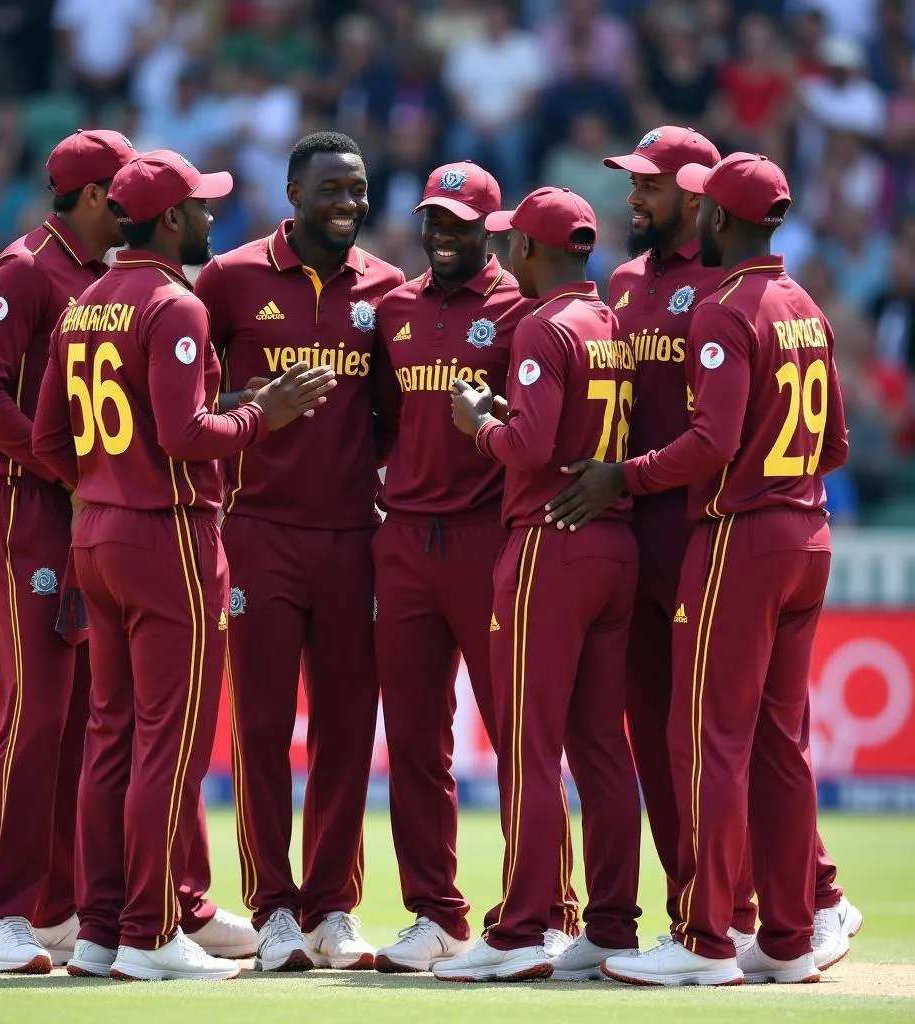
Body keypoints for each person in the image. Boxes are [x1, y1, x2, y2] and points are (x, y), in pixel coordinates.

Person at [548, 127, 863, 973]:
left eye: (649, 185)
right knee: (665, 739)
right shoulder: (623, 284)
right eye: (632, 182)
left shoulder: (724, 298)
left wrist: (653, 479)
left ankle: (740, 921)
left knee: (713, 738)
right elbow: (831, 443)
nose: (634, 198)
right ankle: (733, 912)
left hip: (708, 535)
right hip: (641, 541)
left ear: (702, 200)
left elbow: (715, 437)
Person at [31, 149, 336, 981]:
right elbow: (184, 438)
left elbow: (50, 440)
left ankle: (98, 932)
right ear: (170, 220)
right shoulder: (175, 303)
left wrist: (107, 483)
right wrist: (261, 416)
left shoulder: (86, 300)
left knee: (112, 739)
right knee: (171, 741)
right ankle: (151, 931)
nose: (210, 218)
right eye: (200, 207)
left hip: (95, 532)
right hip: (168, 538)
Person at [193, 132, 405, 972]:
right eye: (329, 189)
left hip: (355, 537)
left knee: (350, 730)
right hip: (258, 534)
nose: (346, 202)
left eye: (356, 187)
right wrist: (249, 400)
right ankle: (273, 908)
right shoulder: (230, 278)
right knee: (262, 728)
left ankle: (333, 909)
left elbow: (393, 415)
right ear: (291, 193)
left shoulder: (384, 289)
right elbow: (182, 390)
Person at [370, 163, 578, 973]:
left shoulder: (523, 310)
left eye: (459, 222)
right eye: (433, 220)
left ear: (494, 230)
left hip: (493, 537)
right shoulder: (393, 310)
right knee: (416, 741)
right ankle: (436, 914)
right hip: (406, 540)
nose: (442, 234)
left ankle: (548, 910)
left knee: (523, 734)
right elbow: (385, 420)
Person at [433, 187, 641, 983]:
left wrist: (476, 420)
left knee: (531, 744)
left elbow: (528, 445)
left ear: (526, 251)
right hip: (614, 545)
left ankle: (521, 929)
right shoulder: (613, 323)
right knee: (600, 747)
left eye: (508, 242)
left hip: (548, 545)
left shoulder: (539, 326)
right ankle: (613, 926)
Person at [0, 129, 133, 974]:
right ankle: (3, 914)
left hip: (78, 507)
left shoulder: (107, 277)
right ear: (96, 195)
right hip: (25, 503)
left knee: (84, 715)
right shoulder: (25, 269)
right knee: (39, 707)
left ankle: (59, 907)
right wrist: (65, 464)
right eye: (125, 186)